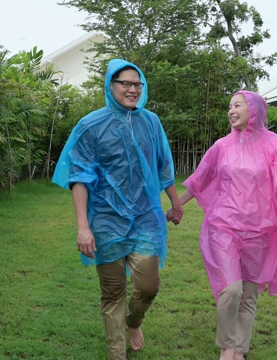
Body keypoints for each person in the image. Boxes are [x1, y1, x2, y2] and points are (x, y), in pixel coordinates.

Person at [53, 58, 184, 360]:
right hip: (106, 222)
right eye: (125, 83)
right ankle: (117, 354)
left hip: (146, 218)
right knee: (112, 294)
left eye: (137, 84)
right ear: (110, 86)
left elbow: (164, 165)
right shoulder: (90, 125)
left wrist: (176, 202)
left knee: (148, 286)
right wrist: (83, 227)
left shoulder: (151, 122)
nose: (132, 89)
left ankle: (134, 321)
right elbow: (80, 177)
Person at [170, 90, 277, 360]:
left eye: (237, 105)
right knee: (231, 289)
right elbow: (200, 179)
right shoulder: (222, 146)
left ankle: (240, 351)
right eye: (229, 106)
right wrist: (177, 205)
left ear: (253, 109)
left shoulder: (274, 144)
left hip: (261, 228)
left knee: (249, 294)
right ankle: (227, 347)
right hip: (224, 225)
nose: (231, 111)